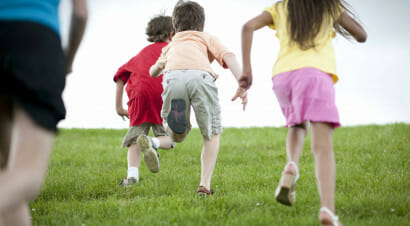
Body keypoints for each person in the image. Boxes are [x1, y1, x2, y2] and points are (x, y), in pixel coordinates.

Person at [240, 0, 367, 225]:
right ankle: (328, 209)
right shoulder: (328, 7)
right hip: (315, 76)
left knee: (297, 124)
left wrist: (247, 71)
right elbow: (361, 35)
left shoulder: (280, 7)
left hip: (283, 78)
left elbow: (247, 27)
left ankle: (292, 165)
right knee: (322, 147)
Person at [0, 0, 88, 225]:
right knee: (25, 176)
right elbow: (80, 14)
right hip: (36, 43)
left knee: (6, 168)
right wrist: (66, 63)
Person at [149, 0, 248, 196]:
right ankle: (204, 185)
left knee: (176, 135)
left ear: (175, 28)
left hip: (173, 77)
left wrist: (159, 69)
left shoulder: (173, 44)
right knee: (211, 132)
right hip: (200, 76)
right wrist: (242, 84)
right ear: (202, 25)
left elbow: (153, 71)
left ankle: (170, 131)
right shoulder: (206, 37)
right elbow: (229, 56)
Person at [114, 15, 176, 186]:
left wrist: (119, 107)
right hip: (162, 95)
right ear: (172, 34)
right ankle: (152, 142)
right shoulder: (173, 50)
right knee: (169, 138)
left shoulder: (140, 54)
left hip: (138, 96)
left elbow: (120, 77)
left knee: (135, 139)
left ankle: (132, 177)